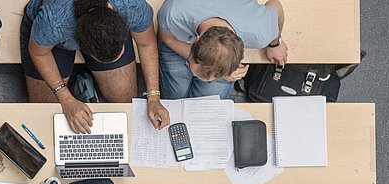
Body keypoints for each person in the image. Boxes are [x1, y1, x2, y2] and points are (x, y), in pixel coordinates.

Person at [20, 0, 170, 134]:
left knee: (124, 98)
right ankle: (75, 86)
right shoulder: (54, 20)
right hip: (53, 41)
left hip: (98, 33)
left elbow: (147, 44)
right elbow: (39, 53)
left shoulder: (131, 6)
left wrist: (153, 97)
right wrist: (66, 99)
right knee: (47, 110)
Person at [157, 0, 288, 99]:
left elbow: (275, 6)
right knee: (176, 96)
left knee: (206, 105)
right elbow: (168, 39)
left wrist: (275, 44)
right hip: (177, 36)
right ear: (195, 41)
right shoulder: (173, 13)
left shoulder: (260, 32)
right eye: (188, 65)